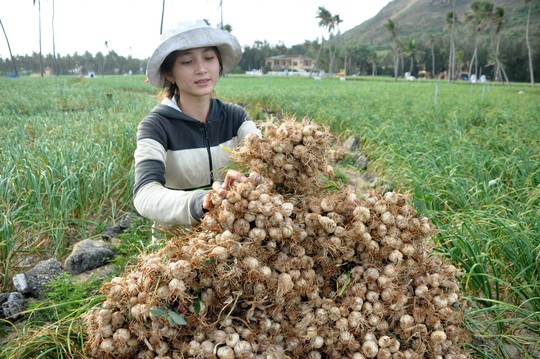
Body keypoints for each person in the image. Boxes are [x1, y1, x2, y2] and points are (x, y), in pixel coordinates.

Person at [133, 20, 260, 234]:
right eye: (187, 62)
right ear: (169, 74)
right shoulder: (155, 126)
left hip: (231, 236)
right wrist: (201, 202)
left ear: (219, 64)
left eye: (209, 58)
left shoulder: (236, 117)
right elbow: (144, 194)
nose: (201, 69)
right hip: (178, 246)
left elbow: (264, 157)